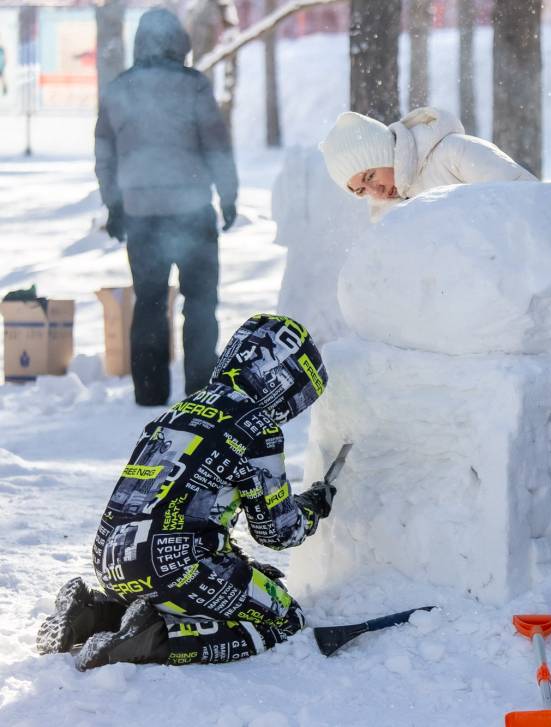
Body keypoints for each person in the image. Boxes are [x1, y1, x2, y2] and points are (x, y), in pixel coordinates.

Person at [36, 315, 337, 669]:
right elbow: (278, 531)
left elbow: (177, 503)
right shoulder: (257, 426)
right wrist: (314, 505)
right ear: (281, 380)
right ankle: (145, 641)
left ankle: (89, 613)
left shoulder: (177, 412)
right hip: (175, 565)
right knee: (284, 619)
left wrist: (236, 567)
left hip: (113, 558)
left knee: (165, 596)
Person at [94, 7, 238, 406]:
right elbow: (216, 145)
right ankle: (200, 389)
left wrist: (114, 205)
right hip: (192, 210)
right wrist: (228, 195)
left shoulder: (119, 88)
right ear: (180, 42)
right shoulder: (193, 86)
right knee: (200, 302)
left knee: (151, 303)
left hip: (141, 215)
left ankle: (150, 392)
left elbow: (105, 154)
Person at [319, 106, 536, 220]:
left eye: (370, 176)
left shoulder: (455, 153)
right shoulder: (388, 215)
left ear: (385, 153)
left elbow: (531, 201)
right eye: (360, 191)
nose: (376, 192)